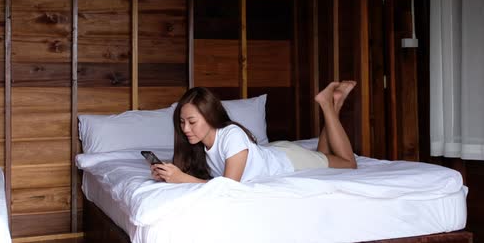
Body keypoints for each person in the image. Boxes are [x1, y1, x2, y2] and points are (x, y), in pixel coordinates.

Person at [151, 81, 358, 183]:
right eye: (181, 122)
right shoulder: (197, 145)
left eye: (192, 122)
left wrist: (181, 179)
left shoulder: (231, 135)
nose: (185, 129)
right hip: (276, 152)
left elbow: (228, 188)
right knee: (322, 157)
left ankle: (327, 105)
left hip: (289, 160)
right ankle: (335, 102)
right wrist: (168, 175)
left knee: (347, 163)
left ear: (209, 116)